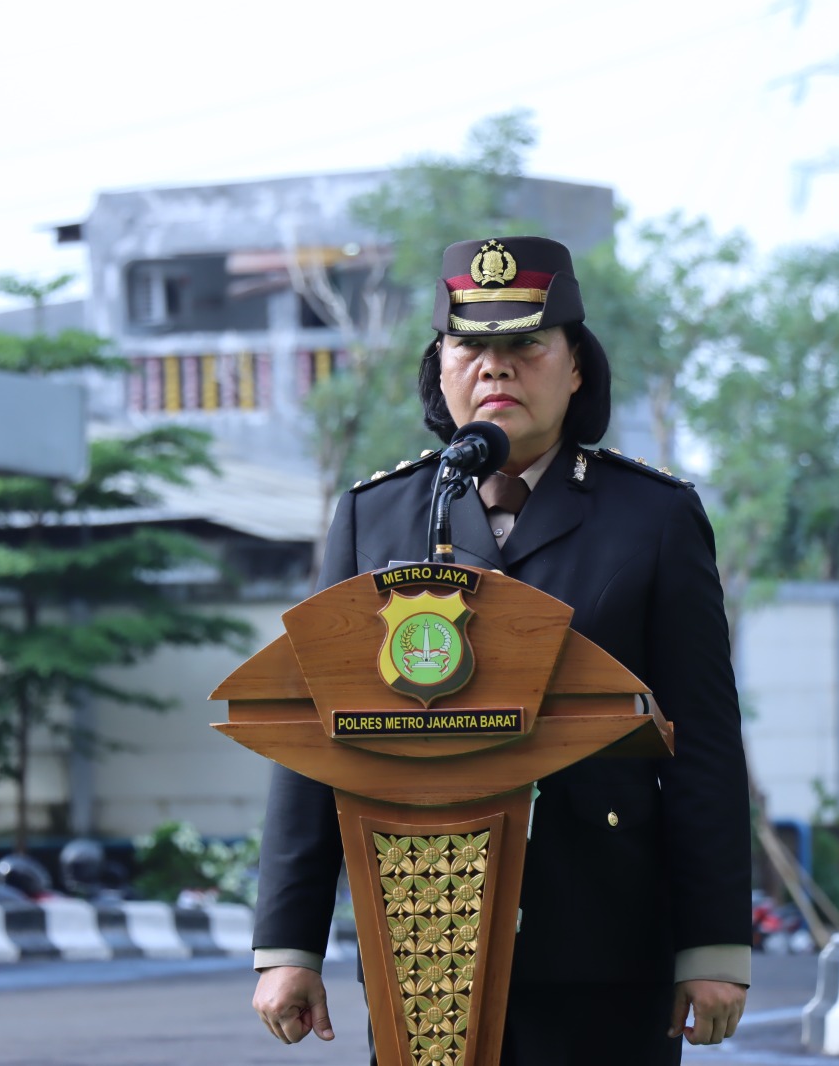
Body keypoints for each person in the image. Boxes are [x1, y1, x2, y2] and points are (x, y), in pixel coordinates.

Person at [250, 235, 753, 1064]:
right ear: (440, 366)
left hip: (603, 940)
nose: (495, 368)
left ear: (577, 367)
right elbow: (316, 739)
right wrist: (289, 945)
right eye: (470, 346)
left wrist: (711, 948)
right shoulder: (377, 517)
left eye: (524, 345)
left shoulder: (652, 519)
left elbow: (699, 741)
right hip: (421, 938)